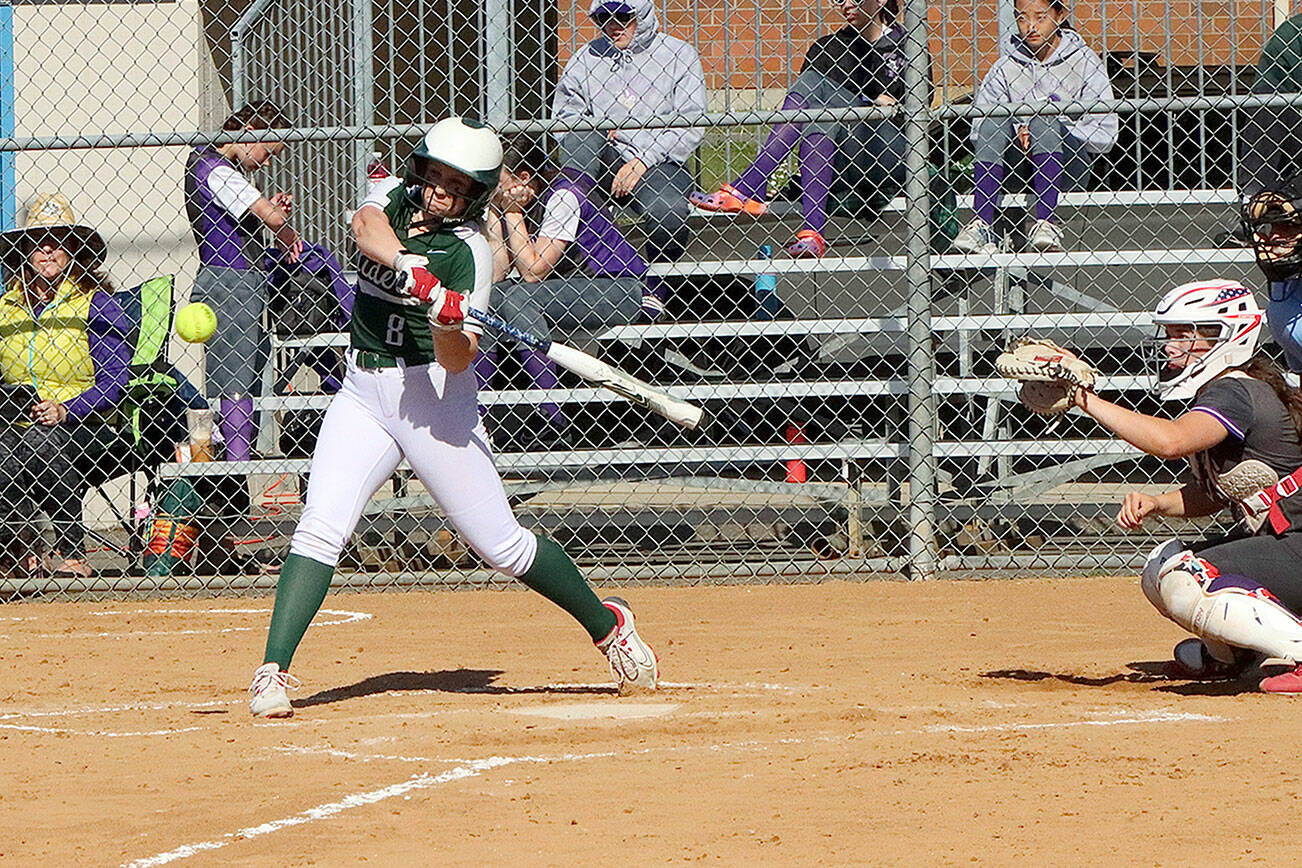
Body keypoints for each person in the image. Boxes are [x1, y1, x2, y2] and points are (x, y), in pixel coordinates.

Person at [246, 117, 659, 718]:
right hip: (363, 391)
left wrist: (443, 317)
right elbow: (365, 228)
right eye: (434, 176)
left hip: (434, 398)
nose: (439, 191)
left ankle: (608, 623)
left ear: (475, 193)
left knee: (503, 548)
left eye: (455, 184)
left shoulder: (468, 255)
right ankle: (272, 671)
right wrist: (415, 274)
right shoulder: (391, 197)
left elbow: (460, 356)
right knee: (320, 525)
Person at [1066, 278, 1302, 693]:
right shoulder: (1230, 387)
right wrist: (1158, 503)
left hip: (1297, 544)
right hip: (1287, 545)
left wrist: (1085, 400)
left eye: (1185, 334)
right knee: (1162, 564)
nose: (1170, 346)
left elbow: (1170, 442)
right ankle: (1236, 655)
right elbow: (1218, 493)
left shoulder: (1234, 390)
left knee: (1187, 575)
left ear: (1227, 336)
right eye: (1170, 334)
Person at [690, 0, 923, 259]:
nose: (846, 4)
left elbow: (919, 115)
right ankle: (812, 233)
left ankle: (751, 184)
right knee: (820, 113)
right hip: (841, 155)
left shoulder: (908, 49)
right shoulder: (828, 49)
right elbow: (807, 115)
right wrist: (870, 101)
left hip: (890, 151)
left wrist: (872, 107)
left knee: (818, 92)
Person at [477, 135, 658, 447]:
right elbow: (498, 275)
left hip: (625, 288)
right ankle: (476, 415)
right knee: (490, 299)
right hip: (579, 289)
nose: (491, 188)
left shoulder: (563, 196)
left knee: (517, 297)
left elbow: (534, 272)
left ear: (523, 179)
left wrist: (512, 213)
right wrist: (495, 215)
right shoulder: (519, 200)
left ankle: (553, 420)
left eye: (497, 180)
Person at [0, 192, 132, 578]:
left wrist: (65, 409)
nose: (48, 250)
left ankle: (71, 551)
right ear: (24, 250)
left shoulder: (97, 303)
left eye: (59, 240)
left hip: (86, 423)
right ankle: (15, 549)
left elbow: (114, 382)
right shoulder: (6, 307)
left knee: (43, 442)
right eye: (38, 241)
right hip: (15, 422)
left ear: (74, 249)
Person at [184, 99, 303, 464]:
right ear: (249, 133)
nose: (266, 162)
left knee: (248, 371)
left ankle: (238, 456)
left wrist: (273, 214)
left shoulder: (222, 169)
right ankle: (233, 465)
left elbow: (252, 212)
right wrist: (285, 231)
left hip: (241, 281)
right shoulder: (215, 168)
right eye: (267, 152)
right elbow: (265, 214)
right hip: (228, 283)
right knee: (233, 377)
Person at [952, 0, 1117, 254]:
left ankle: (1046, 223)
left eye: (1040, 17)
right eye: (1022, 18)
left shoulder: (1085, 62)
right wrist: (1016, 127)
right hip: (1016, 166)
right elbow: (979, 132)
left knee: (1044, 118)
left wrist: (1052, 129)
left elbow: (1106, 134)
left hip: (1067, 166)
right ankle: (981, 224)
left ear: (1059, 15)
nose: (1030, 26)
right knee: (995, 119)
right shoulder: (1004, 67)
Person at [551, 0, 705, 265]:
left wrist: (643, 160)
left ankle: (656, 288)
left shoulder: (679, 55)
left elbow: (690, 124)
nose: (613, 26)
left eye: (623, 16)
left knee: (668, 213)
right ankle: (575, 254)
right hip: (602, 159)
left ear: (642, 14)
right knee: (582, 136)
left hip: (658, 162)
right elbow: (565, 118)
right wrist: (597, 127)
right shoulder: (585, 58)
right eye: (603, 18)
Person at [1218, 12, 1302, 248]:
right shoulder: (1293, 34)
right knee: (1267, 106)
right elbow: (1267, 90)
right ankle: (1255, 206)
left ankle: (1286, 203)